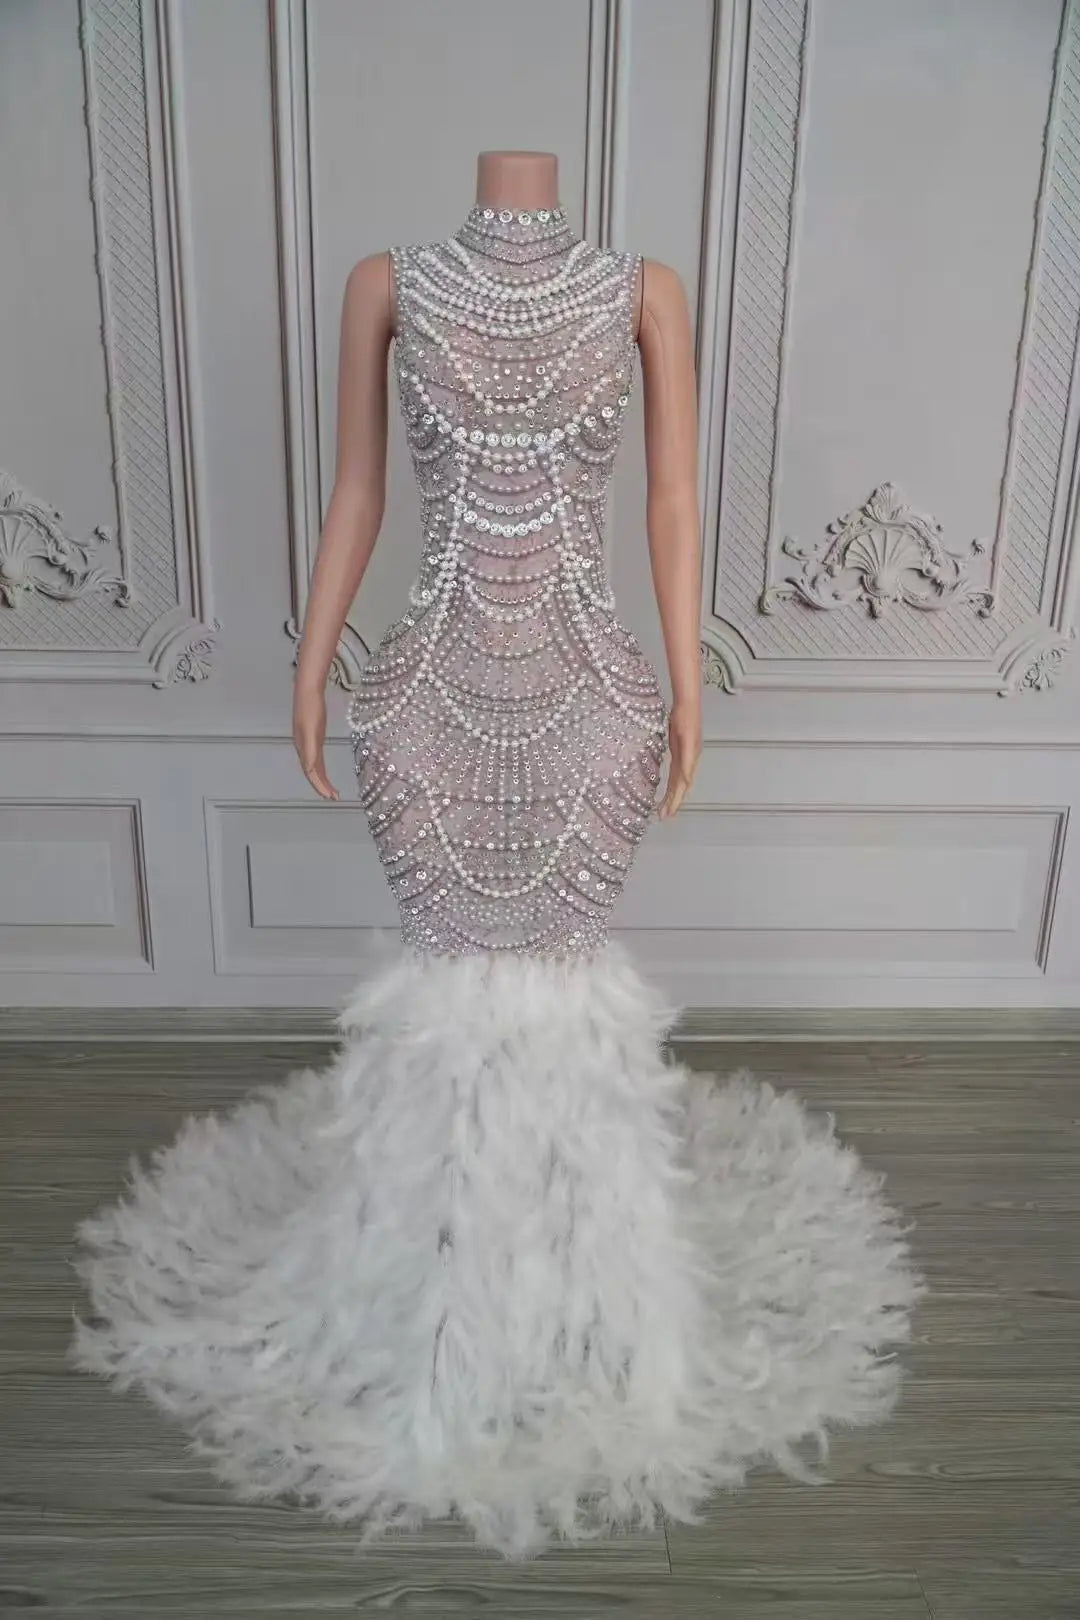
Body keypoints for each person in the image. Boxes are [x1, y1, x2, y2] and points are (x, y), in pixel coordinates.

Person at [70, 156, 927, 1562]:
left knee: (566, 1003)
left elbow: (670, 503)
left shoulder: (642, 291)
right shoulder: (388, 285)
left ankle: (585, 1299)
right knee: (446, 1006)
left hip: (593, 696)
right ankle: (426, 1300)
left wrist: (688, 687)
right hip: (424, 696)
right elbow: (356, 493)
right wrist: (311, 668)